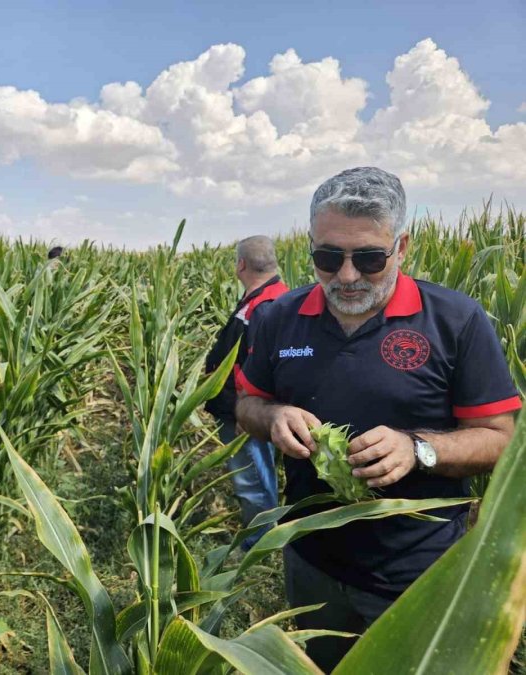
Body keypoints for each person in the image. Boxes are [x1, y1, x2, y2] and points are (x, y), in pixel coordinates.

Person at [235, 167, 520, 671]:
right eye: (327, 257)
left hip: (418, 568)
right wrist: (273, 416)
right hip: (311, 557)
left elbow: (500, 440)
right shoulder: (278, 317)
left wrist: (418, 449)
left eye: (368, 258)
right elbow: (247, 405)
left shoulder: (455, 320)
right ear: (310, 247)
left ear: (401, 246)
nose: (346, 276)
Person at [205, 236, 289, 549]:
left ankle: (260, 542)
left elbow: (255, 361)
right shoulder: (268, 297)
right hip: (245, 407)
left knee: (251, 474)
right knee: (256, 469)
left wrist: (245, 410)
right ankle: (263, 534)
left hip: (244, 410)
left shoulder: (264, 306)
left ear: (241, 265)